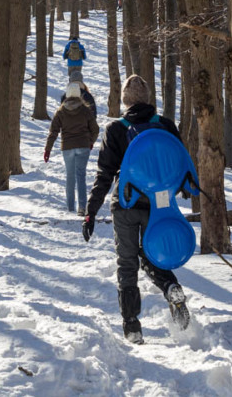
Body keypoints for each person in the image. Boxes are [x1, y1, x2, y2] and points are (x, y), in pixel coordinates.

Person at [81, 74, 190, 344]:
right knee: (154, 256)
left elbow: (104, 174)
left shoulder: (116, 129)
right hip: (160, 205)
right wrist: (183, 191)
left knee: (127, 264)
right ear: (148, 98)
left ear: (125, 101)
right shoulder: (165, 126)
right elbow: (179, 162)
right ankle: (170, 286)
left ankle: (132, 326)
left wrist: (91, 211)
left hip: (125, 204)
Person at [44, 82, 99, 215]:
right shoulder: (86, 110)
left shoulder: (61, 111)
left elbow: (53, 132)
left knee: (70, 176)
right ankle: (81, 208)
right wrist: (91, 141)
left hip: (67, 147)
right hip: (83, 146)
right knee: (81, 175)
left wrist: (48, 150)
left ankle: (70, 207)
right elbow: (95, 129)